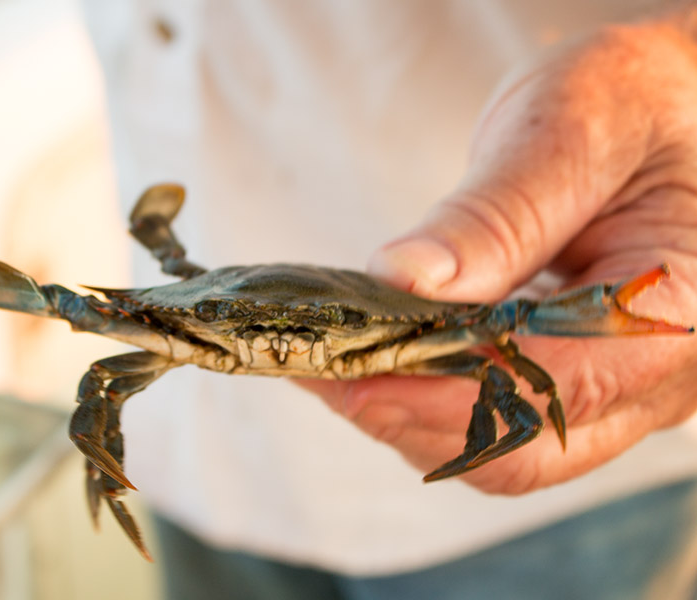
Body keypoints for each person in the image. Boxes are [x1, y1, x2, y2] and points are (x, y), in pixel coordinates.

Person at [83, 2, 697, 598]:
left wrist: (682, 57)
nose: (285, 340)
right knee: (101, 387)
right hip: (195, 463)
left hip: (550, 520)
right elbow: (56, 306)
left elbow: (519, 333)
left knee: (503, 354)